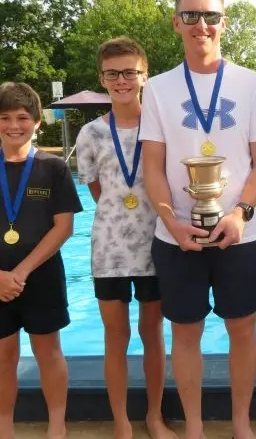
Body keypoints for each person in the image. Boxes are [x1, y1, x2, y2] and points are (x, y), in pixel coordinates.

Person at [139, 0, 256, 439]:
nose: (202, 25)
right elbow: (153, 167)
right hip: (177, 235)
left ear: (224, 22)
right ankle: (194, 428)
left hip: (242, 234)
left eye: (210, 16)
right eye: (192, 16)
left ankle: (241, 424)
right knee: (186, 333)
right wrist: (171, 221)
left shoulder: (251, 84)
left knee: (242, 329)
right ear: (177, 23)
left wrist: (241, 213)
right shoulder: (156, 89)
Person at [0, 81, 82, 439]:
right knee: (3, 359)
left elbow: (63, 227)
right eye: (4, 117)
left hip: (41, 276)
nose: (14, 125)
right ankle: (4, 431)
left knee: (49, 353)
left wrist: (20, 271)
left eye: (23, 117)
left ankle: (57, 426)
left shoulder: (52, 168)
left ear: (38, 122)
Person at [75, 37, 176, 439]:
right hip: (110, 249)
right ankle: (121, 421)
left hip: (156, 245)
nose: (121, 80)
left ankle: (154, 415)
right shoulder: (90, 134)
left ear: (143, 75)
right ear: (102, 78)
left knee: (153, 334)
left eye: (129, 72)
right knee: (115, 337)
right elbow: (97, 191)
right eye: (112, 73)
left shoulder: (162, 129)